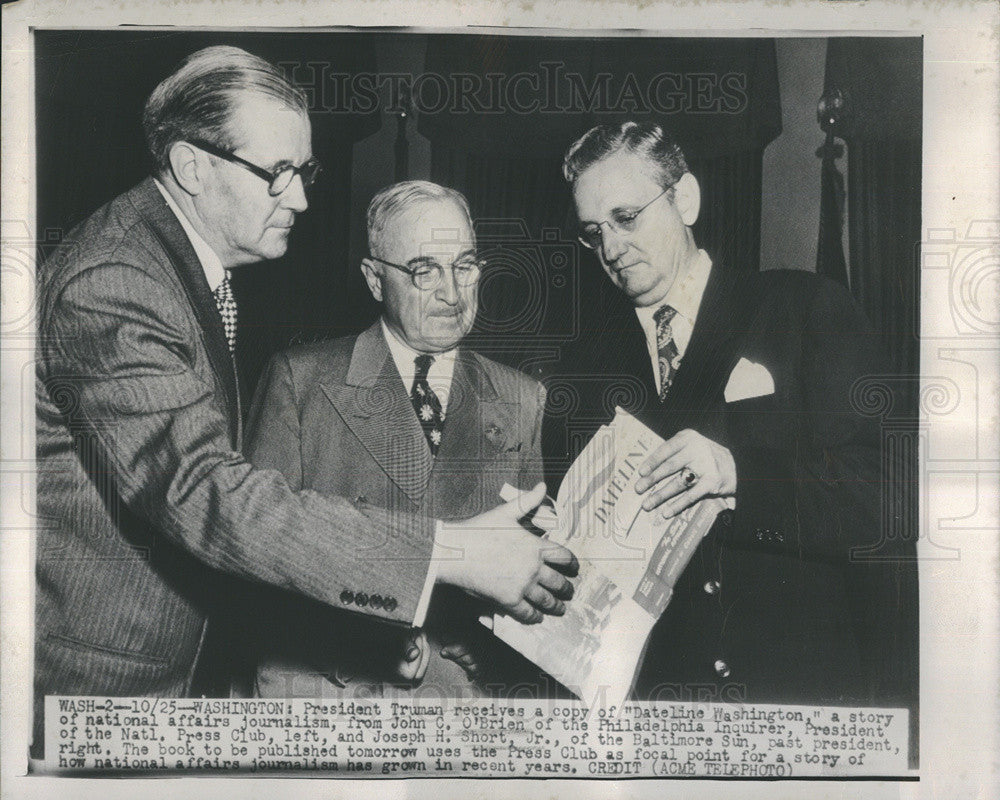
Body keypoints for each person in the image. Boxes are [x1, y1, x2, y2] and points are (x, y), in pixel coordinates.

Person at [33, 46, 575, 753]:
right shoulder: (118, 279)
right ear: (193, 165)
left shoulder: (171, 270)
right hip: (99, 684)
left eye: (305, 171)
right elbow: (207, 493)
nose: (301, 199)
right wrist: (456, 553)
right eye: (277, 173)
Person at [543, 120, 888, 706]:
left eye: (627, 218)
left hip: (795, 699)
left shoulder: (802, 307)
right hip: (658, 713)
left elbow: (883, 501)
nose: (611, 248)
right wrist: (549, 540)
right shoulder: (580, 371)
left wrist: (737, 474)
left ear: (686, 199)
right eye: (593, 232)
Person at [242, 180, 567, 697]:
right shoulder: (300, 382)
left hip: (462, 712)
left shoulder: (521, 397)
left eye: (464, 265)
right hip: (333, 703)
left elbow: (539, 578)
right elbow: (252, 561)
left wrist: (492, 642)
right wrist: (358, 637)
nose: (452, 293)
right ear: (375, 279)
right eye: (423, 271)